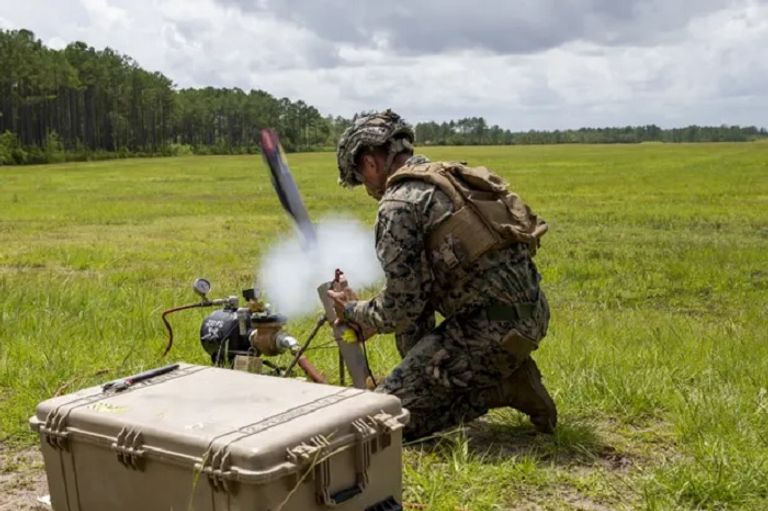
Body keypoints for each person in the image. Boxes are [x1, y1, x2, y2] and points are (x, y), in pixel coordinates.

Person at [328, 109, 557, 441]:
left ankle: (503, 387)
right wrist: (372, 316)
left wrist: (353, 311)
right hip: (528, 317)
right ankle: (444, 383)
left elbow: (401, 308)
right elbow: (415, 298)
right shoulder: (446, 179)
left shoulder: (398, 204)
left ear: (370, 163)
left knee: (383, 421)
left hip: (491, 332)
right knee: (411, 345)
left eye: (360, 177)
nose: (366, 188)